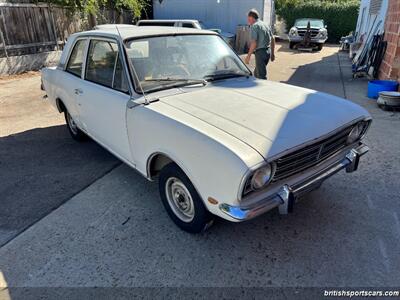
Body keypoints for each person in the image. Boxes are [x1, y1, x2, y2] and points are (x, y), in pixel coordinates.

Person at [244, 9, 275, 79]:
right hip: (268, 52)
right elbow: (273, 38)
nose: (248, 21)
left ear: (251, 17)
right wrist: (272, 54)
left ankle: (263, 89)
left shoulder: (254, 26)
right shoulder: (265, 24)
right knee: (256, 74)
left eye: (248, 18)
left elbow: (254, 43)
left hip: (260, 53)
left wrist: (248, 56)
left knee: (261, 77)